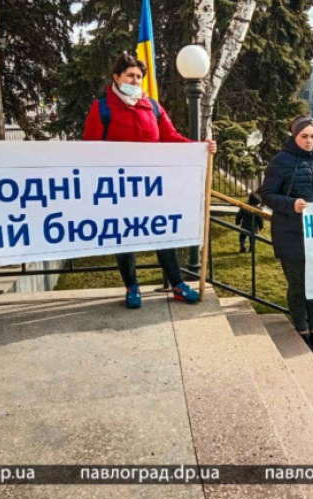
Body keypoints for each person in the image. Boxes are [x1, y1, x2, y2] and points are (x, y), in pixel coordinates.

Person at [82, 51, 216, 308]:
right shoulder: (102, 108)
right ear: (116, 77)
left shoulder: (152, 106)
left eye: (139, 77)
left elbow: (171, 137)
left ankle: (176, 283)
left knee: (162, 232)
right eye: (130, 76)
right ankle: (132, 286)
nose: (135, 81)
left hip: (152, 187)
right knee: (124, 237)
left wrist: (199, 147)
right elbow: (90, 149)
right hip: (118, 188)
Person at [259, 116, 313, 357]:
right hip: (291, 234)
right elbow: (267, 194)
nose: (309, 141)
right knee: (299, 284)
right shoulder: (281, 160)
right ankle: (301, 329)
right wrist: (292, 204)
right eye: (304, 136)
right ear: (294, 136)